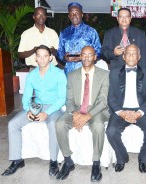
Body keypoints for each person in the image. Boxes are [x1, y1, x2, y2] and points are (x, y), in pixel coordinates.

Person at [1, 45, 67, 177]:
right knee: (13, 124)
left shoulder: (59, 74)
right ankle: (17, 160)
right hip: (36, 106)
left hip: (54, 106)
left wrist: (47, 113)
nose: (42, 59)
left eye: (45, 56)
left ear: (51, 58)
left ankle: (53, 161)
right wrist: (28, 110)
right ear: (35, 58)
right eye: (39, 56)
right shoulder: (31, 75)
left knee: (52, 124)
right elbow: (26, 97)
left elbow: (61, 99)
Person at [55, 46, 109, 181]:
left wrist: (87, 116)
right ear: (80, 57)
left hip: (96, 109)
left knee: (98, 126)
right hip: (77, 108)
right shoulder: (72, 75)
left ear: (95, 57)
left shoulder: (104, 74)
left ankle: (96, 163)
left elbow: (103, 102)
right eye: (83, 55)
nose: (86, 58)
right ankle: (68, 160)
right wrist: (75, 114)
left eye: (90, 55)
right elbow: (69, 100)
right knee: (60, 123)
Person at [106, 44, 146, 173]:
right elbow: (111, 97)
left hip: (139, 109)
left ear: (139, 57)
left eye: (134, 53)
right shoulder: (113, 73)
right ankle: (122, 157)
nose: (131, 56)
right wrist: (121, 112)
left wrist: (139, 113)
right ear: (123, 56)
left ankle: (143, 159)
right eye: (128, 53)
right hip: (121, 109)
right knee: (111, 131)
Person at [57, 2, 101, 76]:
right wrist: (64, 58)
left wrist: (85, 57)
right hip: (69, 71)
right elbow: (60, 51)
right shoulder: (64, 33)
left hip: (86, 69)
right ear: (68, 16)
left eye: (77, 13)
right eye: (71, 13)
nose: (74, 16)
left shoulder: (91, 31)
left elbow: (98, 50)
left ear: (82, 14)